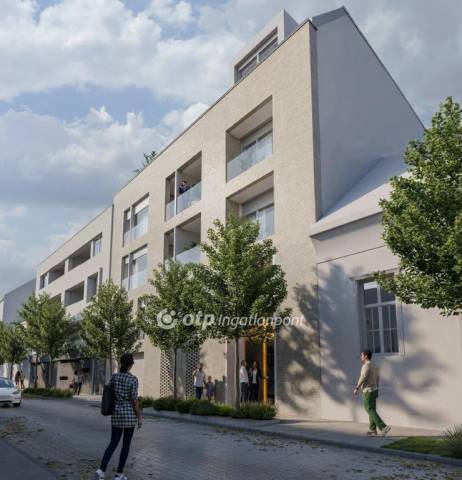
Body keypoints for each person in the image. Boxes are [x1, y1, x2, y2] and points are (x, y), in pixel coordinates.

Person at [95, 353, 142, 480]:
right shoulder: (133, 379)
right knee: (126, 445)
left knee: (113, 443)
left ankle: (101, 470)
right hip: (129, 416)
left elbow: (110, 393)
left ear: (121, 363)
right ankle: (119, 474)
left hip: (116, 415)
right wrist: (139, 417)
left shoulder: (114, 377)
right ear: (131, 364)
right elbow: (134, 400)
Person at [354, 349, 391, 436]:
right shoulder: (375, 365)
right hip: (374, 390)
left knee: (369, 409)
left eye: (362, 355)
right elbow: (377, 378)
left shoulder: (366, 366)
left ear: (366, 356)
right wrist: (377, 388)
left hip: (368, 391)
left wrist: (357, 387)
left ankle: (383, 427)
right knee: (372, 410)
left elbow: (363, 377)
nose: (361, 357)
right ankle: (372, 429)